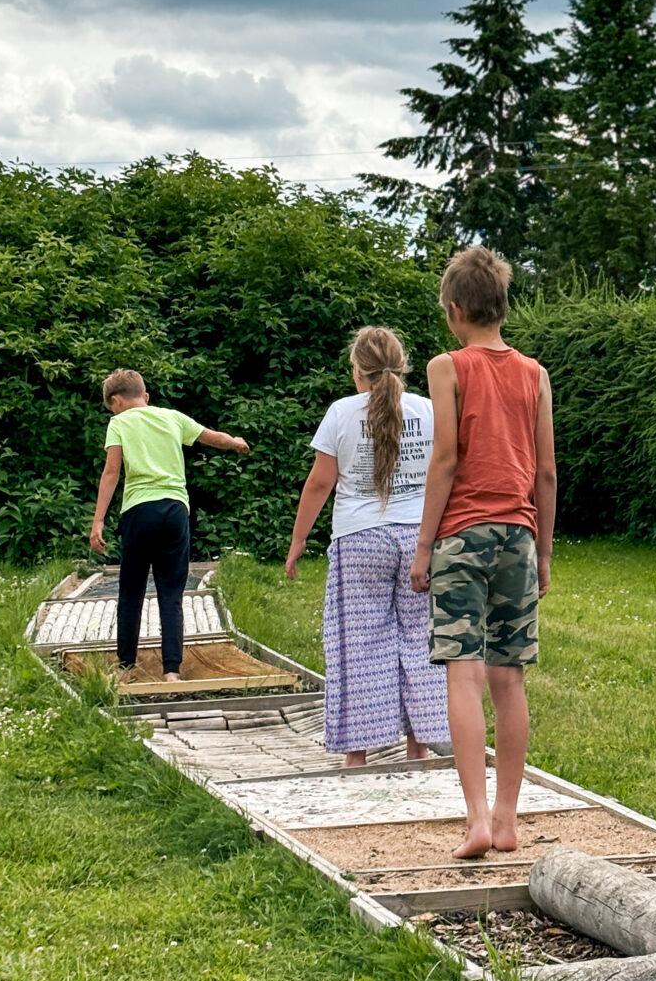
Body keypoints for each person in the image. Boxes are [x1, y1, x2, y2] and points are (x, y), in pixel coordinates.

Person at [410, 246, 556, 860]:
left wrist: (423, 547)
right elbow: (546, 472)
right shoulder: (535, 374)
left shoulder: (447, 366)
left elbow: (445, 458)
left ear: (453, 310)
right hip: (518, 535)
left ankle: (473, 819)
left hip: (461, 535)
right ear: (501, 305)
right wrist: (543, 553)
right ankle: (506, 820)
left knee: (463, 676)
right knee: (509, 677)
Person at [286, 327, 449, 765]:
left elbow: (320, 482)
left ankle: (356, 756)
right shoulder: (429, 411)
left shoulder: (341, 413)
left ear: (357, 370)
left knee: (356, 645)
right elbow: (448, 471)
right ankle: (419, 747)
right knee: (420, 642)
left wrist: (298, 539)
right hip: (420, 540)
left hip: (360, 541)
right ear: (403, 365)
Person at [89, 370, 249, 681]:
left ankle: (125, 666)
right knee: (171, 592)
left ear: (116, 401)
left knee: (131, 590)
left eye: (112, 407)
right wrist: (236, 443)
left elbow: (111, 473)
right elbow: (212, 437)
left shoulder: (119, 422)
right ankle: (172, 670)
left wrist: (98, 522)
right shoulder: (172, 417)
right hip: (175, 510)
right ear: (145, 397)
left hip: (139, 511)